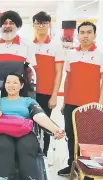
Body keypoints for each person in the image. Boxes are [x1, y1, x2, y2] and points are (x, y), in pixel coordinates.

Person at [0, 73, 65, 180]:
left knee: (26, 147)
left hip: (24, 132)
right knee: (5, 147)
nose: (11, 85)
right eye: (8, 82)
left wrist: (55, 129)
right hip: (1, 132)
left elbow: (40, 117)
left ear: (21, 85)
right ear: (4, 85)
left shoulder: (28, 101)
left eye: (15, 82)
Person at [59, 21, 103, 180]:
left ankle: (89, 172)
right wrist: (65, 101)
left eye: (89, 32)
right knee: (71, 136)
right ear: (78, 35)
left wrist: (100, 104)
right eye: (82, 32)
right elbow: (68, 80)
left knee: (89, 139)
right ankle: (72, 165)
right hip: (71, 103)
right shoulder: (71, 55)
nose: (85, 35)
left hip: (91, 106)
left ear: (94, 35)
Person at [31, 11, 65, 156]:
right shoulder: (28, 45)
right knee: (29, 123)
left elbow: (59, 72)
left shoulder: (56, 46)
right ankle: (29, 151)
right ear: (33, 25)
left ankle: (43, 154)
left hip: (46, 92)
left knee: (46, 124)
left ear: (49, 25)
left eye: (44, 22)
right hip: (29, 92)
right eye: (38, 22)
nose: (41, 25)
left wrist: (54, 95)